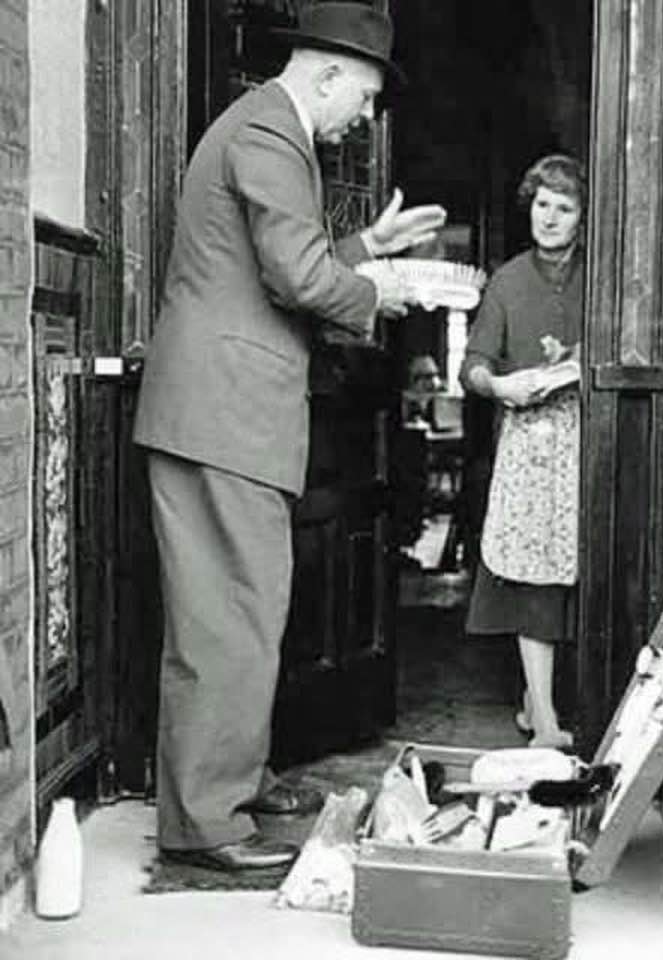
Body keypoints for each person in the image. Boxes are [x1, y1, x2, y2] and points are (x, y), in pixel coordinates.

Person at [133, 2, 446, 872]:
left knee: (243, 607)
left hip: (222, 411)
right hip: (221, 413)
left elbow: (280, 259)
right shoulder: (272, 134)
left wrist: (366, 245)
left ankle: (231, 775)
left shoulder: (263, 128)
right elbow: (294, 274)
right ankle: (206, 824)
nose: (368, 118)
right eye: (369, 98)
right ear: (330, 74)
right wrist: (379, 290)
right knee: (227, 617)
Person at [460, 154, 585, 750]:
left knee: (579, 574)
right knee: (532, 579)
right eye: (542, 205)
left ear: (583, 218)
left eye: (564, 208)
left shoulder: (601, 276)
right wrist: (498, 384)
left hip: (588, 442)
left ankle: (542, 708)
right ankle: (546, 718)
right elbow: (473, 366)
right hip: (530, 446)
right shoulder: (508, 280)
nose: (550, 218)